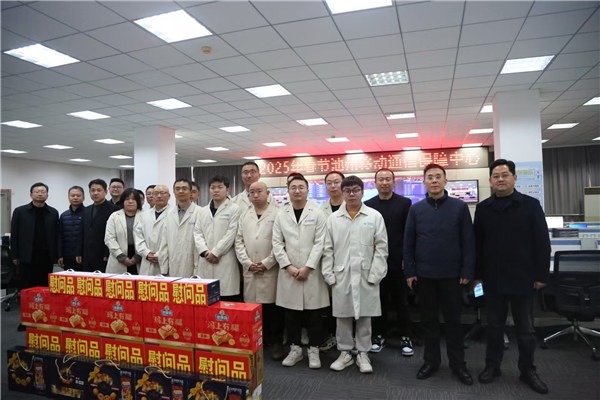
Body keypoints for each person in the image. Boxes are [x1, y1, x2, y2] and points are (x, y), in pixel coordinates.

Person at [473, 159, 551, 394]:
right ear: (490, 180)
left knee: (525, 330)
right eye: (496, 176)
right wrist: (477, 276)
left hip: (523, 277)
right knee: (494, 327)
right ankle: (492, 366)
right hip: (493, 279)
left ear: (514, 178)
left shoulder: (530, 205)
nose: (500, 179)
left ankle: (528, 370)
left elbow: (542, 242)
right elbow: (478, 245)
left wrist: (541, 275)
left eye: (505, 175)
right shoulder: (483, 208)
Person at [403, 163, 475, 385]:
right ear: (424, 182)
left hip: (452, 276)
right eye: (430, 177)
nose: (434, 180)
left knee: (453, 323)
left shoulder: (459, 207)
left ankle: (458, 364)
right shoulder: (416, 209)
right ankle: (431, 362)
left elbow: (468, 241)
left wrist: (467, 270)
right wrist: (410, 271)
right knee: (429, 323)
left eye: (438, 177)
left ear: (445, 181)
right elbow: (408, 242)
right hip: (425, 276)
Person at [322, 176, 388, 374]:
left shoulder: (374, 216)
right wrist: (329, 275)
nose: (351, 194)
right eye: (348, 190)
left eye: (355, 190)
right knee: (342, 317)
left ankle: (363, 353)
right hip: (341, 275)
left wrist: (375, 275)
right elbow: (327, 249)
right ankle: (345, 352)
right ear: (342, 193)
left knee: (364, 316)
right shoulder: (333, 219)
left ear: (362, 192)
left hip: (366, 275)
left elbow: (382, 248)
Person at [272, 175, 330, 369]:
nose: (297, 191)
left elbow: (321, 242)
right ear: (288, 191)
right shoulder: (281, 213)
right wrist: (288, 266)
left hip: (311, 272)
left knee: (314, 315)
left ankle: (314, 350)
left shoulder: (318, 212)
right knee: (291, 315)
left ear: (307, 190)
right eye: (293, 187)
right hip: (289, 272)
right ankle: (295, 350)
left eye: (301, 187)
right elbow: (277, 243)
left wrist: (308, 267)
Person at [364, 168, 414, 356]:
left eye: (388, 179)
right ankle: (379, 336)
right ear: (375, 182)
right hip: (376, 262)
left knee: (402, 302)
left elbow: (409, 234)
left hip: (398, 262)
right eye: (381, 179)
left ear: (393, 182)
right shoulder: (368, 205)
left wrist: (407, 261)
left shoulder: (405, 203)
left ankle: (406, 336)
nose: (384, 182)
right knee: (379, 301)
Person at [235, 181, 284, 360]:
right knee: (252, 309)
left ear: (267, 193)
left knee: (272, 309)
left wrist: (267, 263)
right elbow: (238, 241)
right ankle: (256, 341)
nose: (255, 195)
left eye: (259, 191)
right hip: (250, 268)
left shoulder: (278, 213)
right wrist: (247, 263)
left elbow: (280, 242)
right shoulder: (244, 215)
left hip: (269, 269)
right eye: (252, 192)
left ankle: (276, 342)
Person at [194, 176, 241, 300]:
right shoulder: (202, 211)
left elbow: (231, 233)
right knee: (206, 298)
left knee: (226, 299)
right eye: (212, 187)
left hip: (225, 259)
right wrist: (205, 251)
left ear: (227, 190)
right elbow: (197, 233)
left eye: (220, 187)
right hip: (206, 259)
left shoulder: (235, 209)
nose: (216, 190)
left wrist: (216, 252)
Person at [10, 182, 59, 288]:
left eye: (43, 192)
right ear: (31, 195)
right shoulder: (20, 211)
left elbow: (56, 235)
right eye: (36, 192)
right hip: (26, 255)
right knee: (27, 285)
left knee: (45, 285)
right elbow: (14, 234)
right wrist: (14, 255)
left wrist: (57, 255)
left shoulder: (53, 213)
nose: (40, 194)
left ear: (47, 195)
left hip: (46, 256)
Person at [319, 170, 345, 352]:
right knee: (329, 302)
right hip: (326, 262)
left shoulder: (352, 207)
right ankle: (331, 335)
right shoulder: (320, 210)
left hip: (346, 261)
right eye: (329, 182)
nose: (333, 186)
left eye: (337, 182)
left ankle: (349, 338)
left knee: (347, 302)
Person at [166, 178, 200, 278]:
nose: (181, 191)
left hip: (193, 262)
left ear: (190, 192)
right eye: (177, 189)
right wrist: (164, 267)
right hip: (173, 263)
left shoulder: (200, 212)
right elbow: (164, 242)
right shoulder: (169, 214)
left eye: (184, 189)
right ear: (173, 192)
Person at [134, 184, 171, 276]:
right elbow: (138, 236)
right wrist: (146, 253)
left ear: (169, 196)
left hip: (167, 260)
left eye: (163, 193)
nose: (159, 196)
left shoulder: (174, 214)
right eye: (156, 193)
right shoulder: (144, 215)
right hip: (147, 260)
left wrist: (160, 254)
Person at [104, 188, 143, 274]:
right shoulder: (114, 216)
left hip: (140, 256)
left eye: (133, 199)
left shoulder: (145, 216)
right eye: (127, 199)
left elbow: (148, 239)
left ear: (138, 201)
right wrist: (121, 257)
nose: (130, 201)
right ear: (122, 201)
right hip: (118, 256)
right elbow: (109, 238)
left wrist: (138, 257)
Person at [82, 179, 117, 272]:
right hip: (87, 255)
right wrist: (79, 252)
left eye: (99, 190)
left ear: (106, 192)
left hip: (104, 255)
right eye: (92, 190)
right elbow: (82, 232)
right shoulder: (86, 210)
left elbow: (115, 235)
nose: (95, 193)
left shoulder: (114, 210)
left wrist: (107, 253)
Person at [58, 185, 85, 271]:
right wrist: (60, 255)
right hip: (67, 256)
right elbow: (60, 237)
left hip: (84, 256)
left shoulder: (88, 213)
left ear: (83, 198)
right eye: (72, 195)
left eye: (78, 195)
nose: (75, 198)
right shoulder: (63, 215)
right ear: (68, 198)